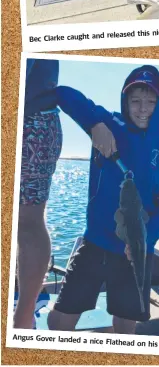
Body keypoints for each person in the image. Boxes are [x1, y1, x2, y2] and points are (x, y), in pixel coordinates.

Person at [47, 66, 159, 334]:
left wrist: (143, 240)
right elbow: (62, 94)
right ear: (126, 101)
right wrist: (94, 124)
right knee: (60, 320)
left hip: (136, 252)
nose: (142, 108)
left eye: (150, 101)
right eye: (135, 100)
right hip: (95, 243)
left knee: (125, 324)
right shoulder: (110, 123)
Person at [14, 59, 62, 329]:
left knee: (27, 223)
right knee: (27, 223)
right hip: (40, 119)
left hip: (32, 121)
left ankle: (22, 319)